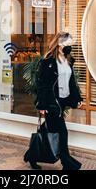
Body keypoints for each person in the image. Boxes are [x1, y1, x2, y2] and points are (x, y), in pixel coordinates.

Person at [27, 32, 84, 170]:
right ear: (59, 44)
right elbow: (43, 84)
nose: (69, 46)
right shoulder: (48, 62)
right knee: (62, 132)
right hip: (53, 102)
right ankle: (67, 164)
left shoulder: (69, 60)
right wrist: (42, 104)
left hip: (63, 101)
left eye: (70, 44)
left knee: (49, 131)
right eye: (67, 43)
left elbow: (71, 83)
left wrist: (77, 99)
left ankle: (31, 156)